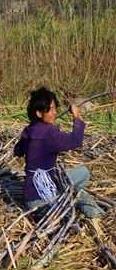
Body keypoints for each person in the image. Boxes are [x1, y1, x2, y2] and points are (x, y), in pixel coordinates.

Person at [13, 87, 104, 218]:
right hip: (44, 198)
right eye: (51, 110)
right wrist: (76, 116)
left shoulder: (29, 131)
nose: (55, 113)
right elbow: (76, 140)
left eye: (55, 108)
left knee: (78, 193)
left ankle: (98, 214)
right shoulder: (49, 133)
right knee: (83, 173)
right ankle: (99, 216)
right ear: (39, 113)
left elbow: (17, 151)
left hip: (30, 197)